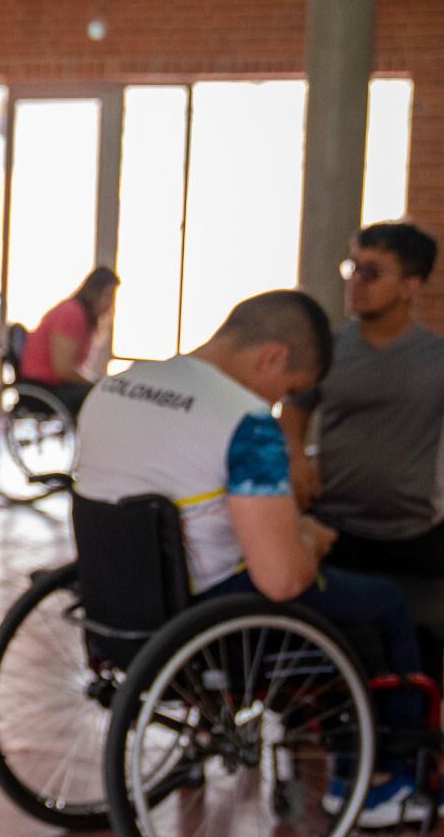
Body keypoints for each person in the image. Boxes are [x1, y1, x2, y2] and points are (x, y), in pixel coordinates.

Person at [74, 289, 426, 825]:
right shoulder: (246, 423)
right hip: (212, 627)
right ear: (273, 357)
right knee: (384, 603)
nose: (282, 405)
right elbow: (282, 580)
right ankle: (377, 781)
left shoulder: (114, 388)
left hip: (114, 608)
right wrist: (309, 537)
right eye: (290, 391)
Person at [283, 222, 444, 576]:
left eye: (371, 272)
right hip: (331, 527)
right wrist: (294, 454)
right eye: (353, 268)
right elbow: (294, 408)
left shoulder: (436, 357)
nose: (356, 281)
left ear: (410, 285)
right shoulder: (327, 348)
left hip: (415, 535)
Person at [17, 266, 119, 417]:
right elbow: (63, 369)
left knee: (104, 394)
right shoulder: (71, 313)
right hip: (42, 388)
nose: (110, 303)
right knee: (103, 399)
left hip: (54, 385)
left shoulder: (81, 316)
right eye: (108, 296)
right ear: (94, 292)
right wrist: (95, 383)